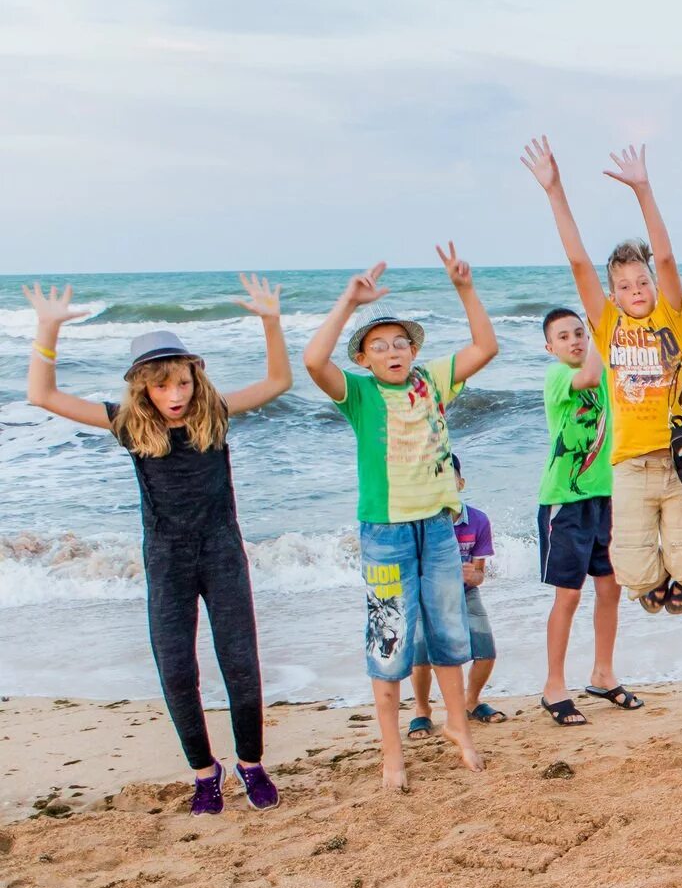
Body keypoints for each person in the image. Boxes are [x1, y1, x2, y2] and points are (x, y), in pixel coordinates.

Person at [20, 275, 291, 813]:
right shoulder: (127, 424)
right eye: (163, 385)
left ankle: (251, 764)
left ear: (195, 378)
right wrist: (47, 330)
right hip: (166, 558)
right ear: (144, 385)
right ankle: (202, 773)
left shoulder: (213, 415)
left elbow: (279, 381)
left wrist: (270, 320)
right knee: (176, 668)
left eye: (184, 383)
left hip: (222, 551)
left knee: (240, 661)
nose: (176, 395)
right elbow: (41, 394)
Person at [302, 249, 498, 790]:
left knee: (449, 634)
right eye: (379, 345)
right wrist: (349, 301)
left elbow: (486, 346)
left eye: (400, 342)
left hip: (437, 528)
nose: (392, 351)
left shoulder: (432, 381)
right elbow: (314, 362)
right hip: (385, 535)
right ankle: (392, 753)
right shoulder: (360, 393)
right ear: (364, 359)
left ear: (413, 350)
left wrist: (465, 288)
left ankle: (458, 724)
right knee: (389, 642)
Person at [522, 137, 682, 615]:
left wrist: (643, 190)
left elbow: (665, 259)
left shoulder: (672, 315)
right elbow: (578, 263)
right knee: (636, 576)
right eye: (624, 286)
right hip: (627, 465)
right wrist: (554, 191)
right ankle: (654, 580)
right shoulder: (606, 327)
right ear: (613, 294)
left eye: (642, 281)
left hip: (677, 460)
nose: (636, 290)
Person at [535, 306, 632, 727]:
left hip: (608, 496)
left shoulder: (606, 376)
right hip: (565, 501)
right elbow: (589, 376)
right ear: (550, 346)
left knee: (610, 589)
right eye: (564, 336)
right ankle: (554, 685)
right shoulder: (559, 377)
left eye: (579, 332)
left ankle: (602, 674)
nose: (574, 341)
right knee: (569, 595)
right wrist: (600, 328)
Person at [410, 455, 503, 732]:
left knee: (486, 651)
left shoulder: (477, 520)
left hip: (465, 594)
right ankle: (422, 709)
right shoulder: (419, 521)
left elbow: (479, 573)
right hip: (424, 596)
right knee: (421, 656)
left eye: (448, 478)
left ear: (460, 483)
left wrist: (471, 576)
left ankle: (470, 702)